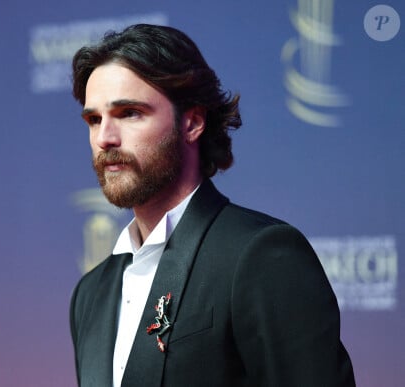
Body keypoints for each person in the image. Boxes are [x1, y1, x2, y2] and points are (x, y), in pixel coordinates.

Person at [69, 24, 355, 387]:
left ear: (192, 123)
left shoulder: (262, 256)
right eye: (94, 120)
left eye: (129, 113)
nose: (105, 138)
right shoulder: (90, 294)